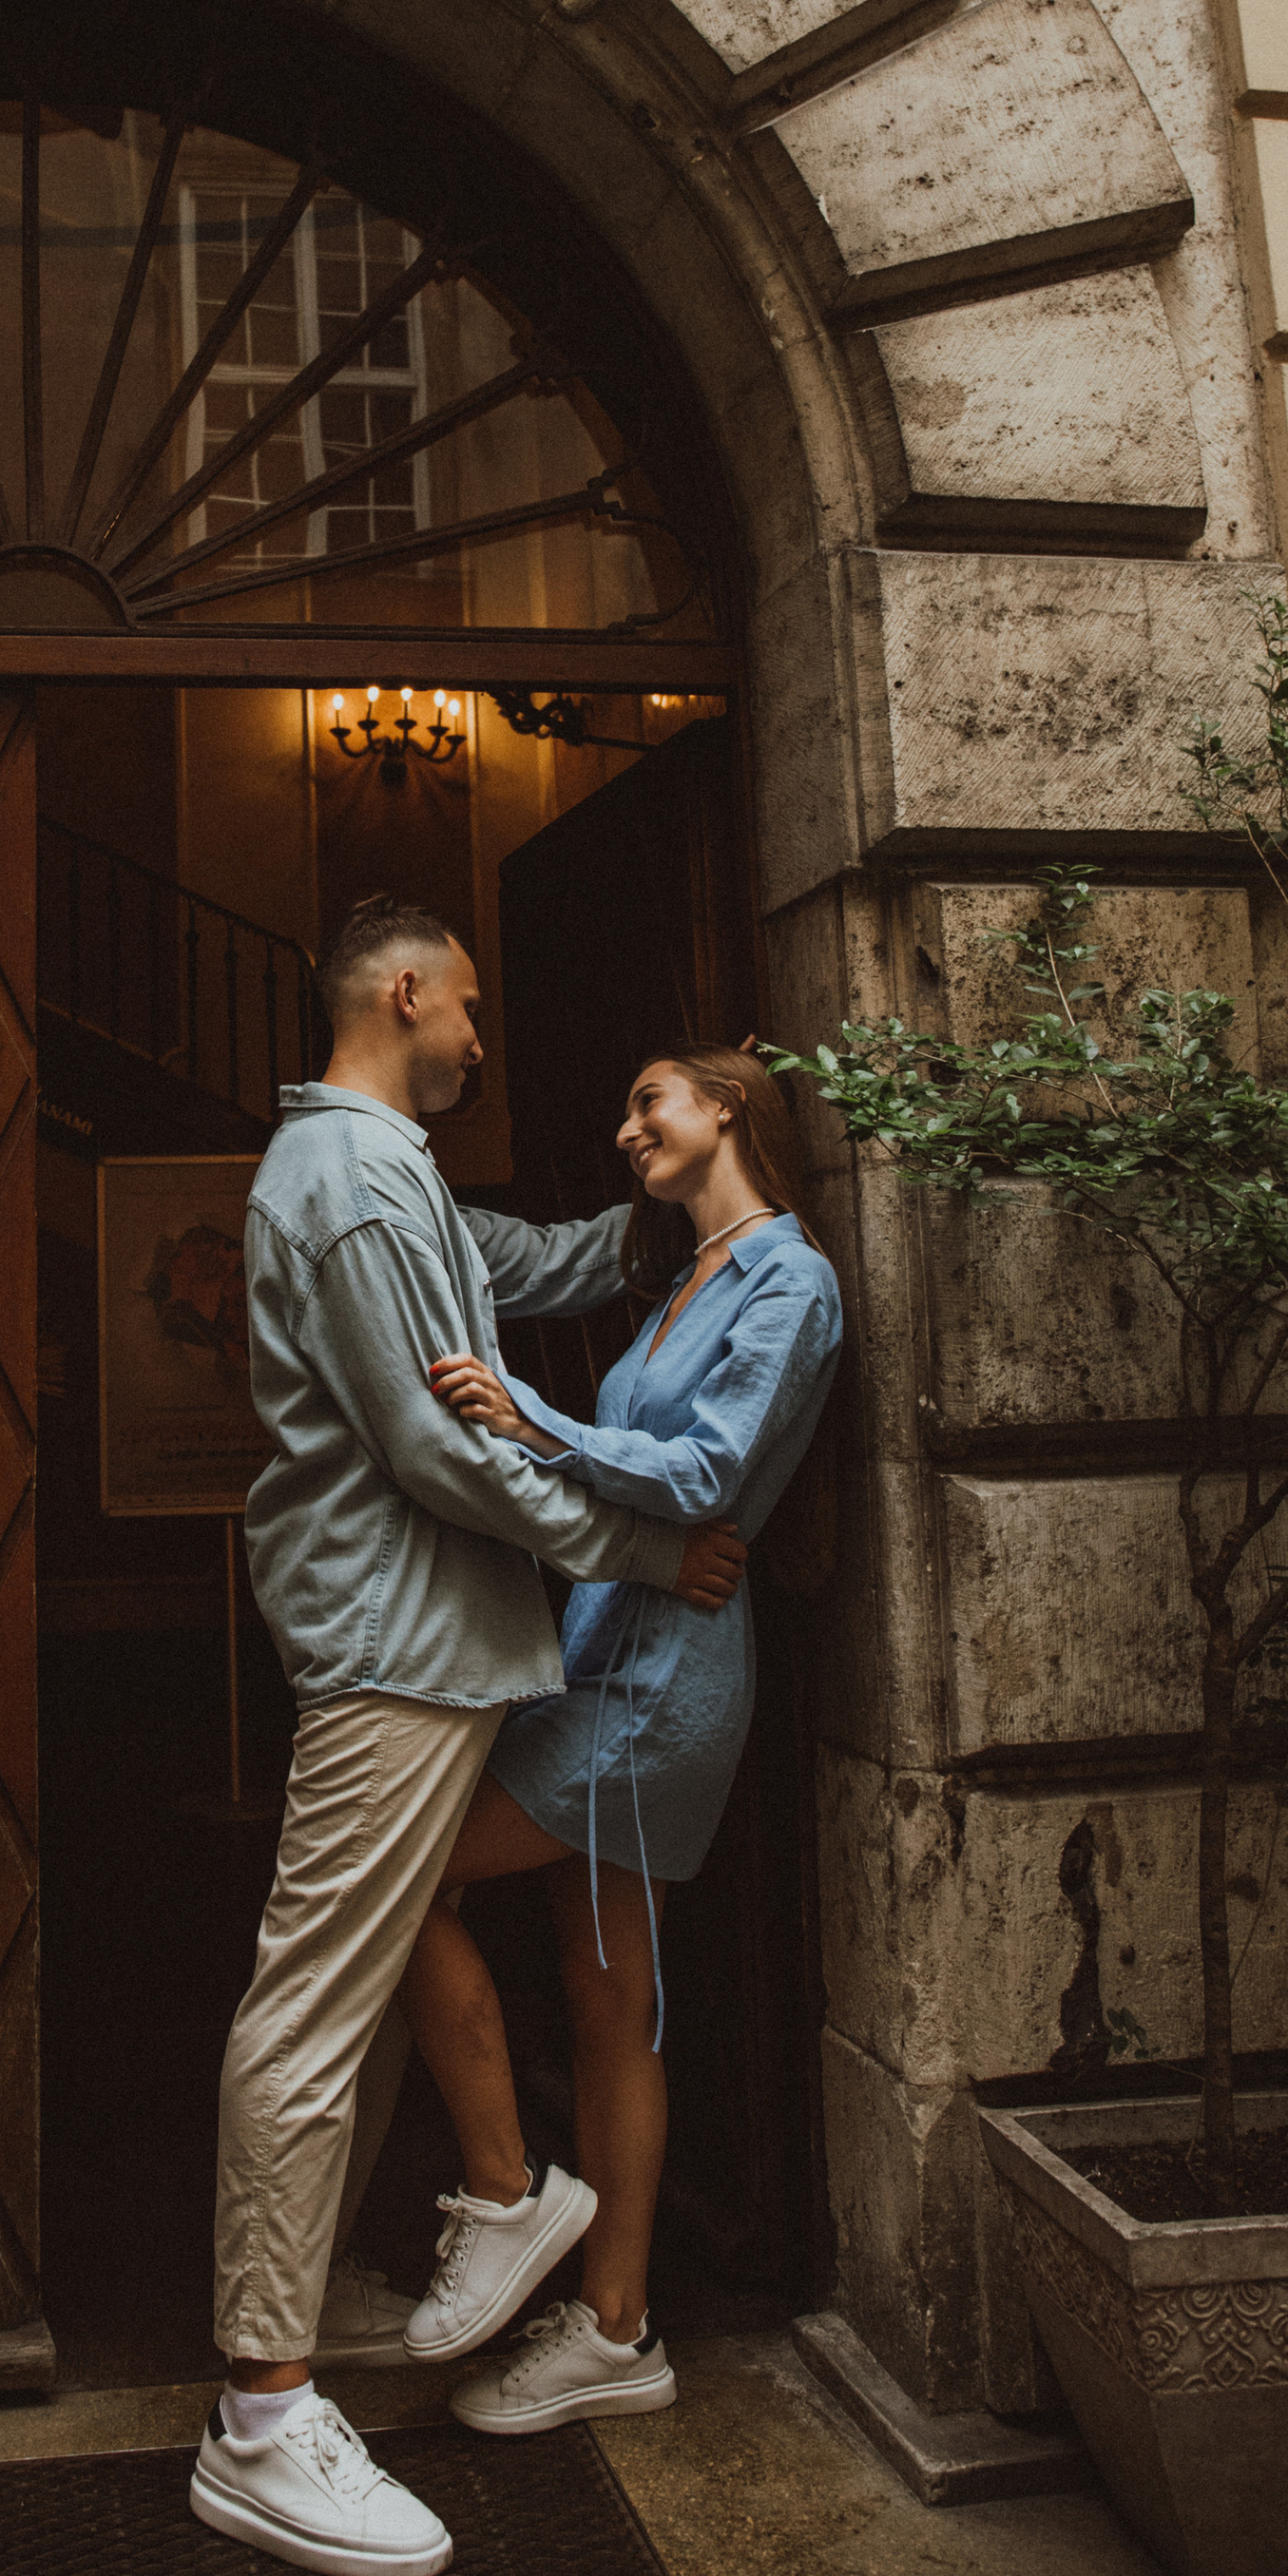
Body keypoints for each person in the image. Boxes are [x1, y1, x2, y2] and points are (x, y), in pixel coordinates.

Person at [193, 903, 749, 2576]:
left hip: (426, 1644)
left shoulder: (392, 1175)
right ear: (407, 994)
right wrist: (644, 1549)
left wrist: (668, 1229)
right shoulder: (354, 1178)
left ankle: (311, 2316)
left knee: (347, 2002)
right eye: (476, 1007)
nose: (487, 1037)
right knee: (307, 2007)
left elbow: (509, 1271)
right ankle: (266, 2422)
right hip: (394, 1649)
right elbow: (441, 1446)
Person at [404, 1043, 841, 2438]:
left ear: (728, 1111)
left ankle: (515, 2204)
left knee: (401, 1883)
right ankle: (616, 2329)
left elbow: (708, 1475)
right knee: (612, 2003)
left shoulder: (792, 1279)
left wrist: (519, 1404)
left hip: (661, 1686)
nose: (627, 1124)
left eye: (649, 1099)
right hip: (605, 1647)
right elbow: (647, 1479)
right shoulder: (678, 1282)